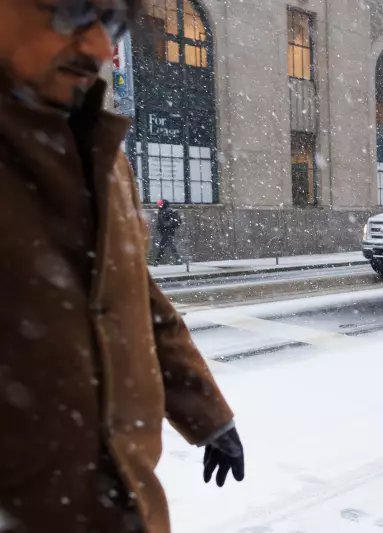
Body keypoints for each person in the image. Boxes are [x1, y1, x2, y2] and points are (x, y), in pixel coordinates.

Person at [0, 1, 243, 532]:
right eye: (71, 10)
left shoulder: (106, 157)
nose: (96, 46)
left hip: (122, 507)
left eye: (111, 22)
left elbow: (132, 296)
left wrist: (207, 415)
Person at [154, 199, 183, 265]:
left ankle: (157, 261)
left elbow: (169, 221)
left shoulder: (167, 211)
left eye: (160, 204)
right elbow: (162, 221)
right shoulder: (162, 211)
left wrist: (166, 225)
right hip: (166, 231)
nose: (158, 205)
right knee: (170, 244)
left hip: (167, 231)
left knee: (162, 245)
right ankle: (178, 259)